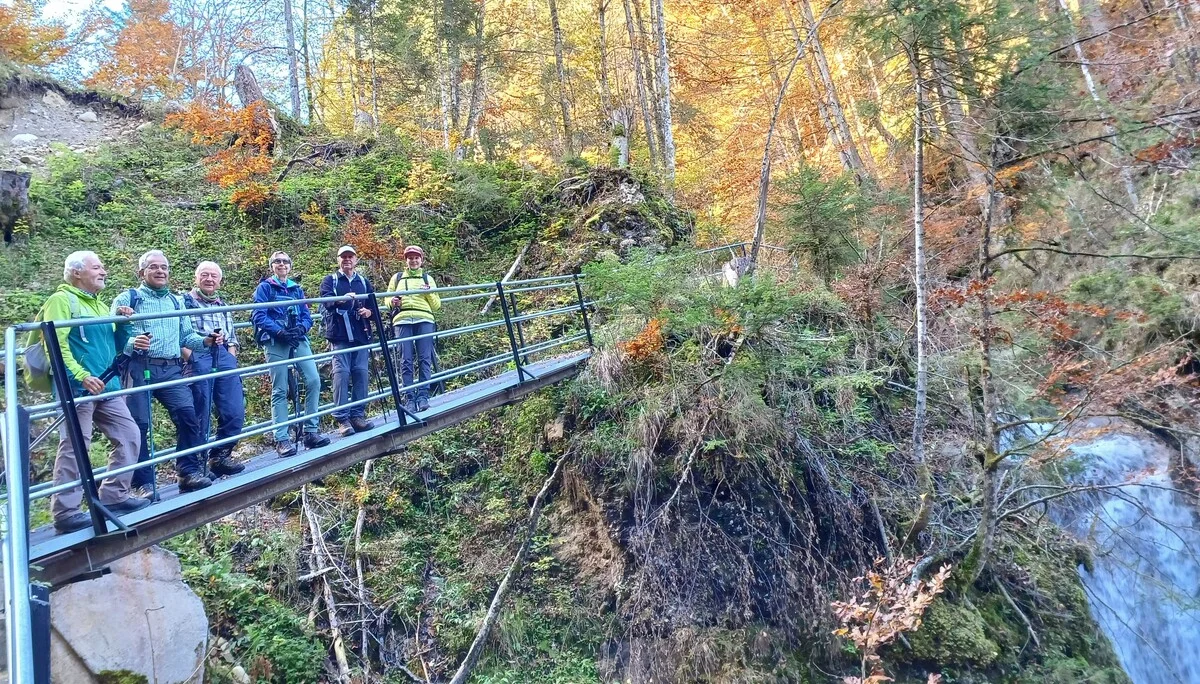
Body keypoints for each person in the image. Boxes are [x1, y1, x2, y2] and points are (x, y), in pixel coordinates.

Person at [39, 251, 150, 533]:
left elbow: (118, 345)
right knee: (76, 445)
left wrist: (125, 324)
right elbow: (55, 345)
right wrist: (81, 375)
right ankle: (65, 512)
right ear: (76, 272)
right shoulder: (61, 301)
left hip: (107, 384)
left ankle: (113, 495)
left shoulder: (101, 306)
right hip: (78, 387)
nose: (104, 272)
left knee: (129, 435)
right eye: (97, 267)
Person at [112, 250, 223, 493]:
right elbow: (114, 335)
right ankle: (142, 482)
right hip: (139, 367)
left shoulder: (176, 301)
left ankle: (188, 472)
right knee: (139, 424)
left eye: (164, 267)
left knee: (188, 416)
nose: (160, 271)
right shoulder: (128, 299)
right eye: (154, 267)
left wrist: (206, 340)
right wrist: (132, 343)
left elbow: (186, 336)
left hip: (171, 367)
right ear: (142, 272)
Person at [251, 251, 331, 456]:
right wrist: (278, 331)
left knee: (313, 380)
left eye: (285, 261)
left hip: (296, 337)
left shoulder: (296, 289)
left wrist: (301, 329)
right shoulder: (265, 288)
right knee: (280, 388)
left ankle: (310, 432)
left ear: (290, 265)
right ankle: (282, 439)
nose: (281, 264)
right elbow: (258, 314)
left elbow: (306, 315)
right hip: (276, 340)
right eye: (277, 261)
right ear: (271, 266)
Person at [181, 261, 246, 477]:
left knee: (234, 409)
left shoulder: (222, 304)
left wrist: (231, 358)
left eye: (214, 276)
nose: (209, 279)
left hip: (223, 355)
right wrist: (191, 359)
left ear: (220, 281)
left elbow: (232, 337)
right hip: (197, 356)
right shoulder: (184, 302)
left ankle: (220, 455)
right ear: (196, 278)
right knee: (200, 412)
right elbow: (177, 334)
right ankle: (197, 464)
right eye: (204, 275)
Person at [319, 245, 377, 436]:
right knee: (341, 375)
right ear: (338, 260)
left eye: (350, 256)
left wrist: (368, 312)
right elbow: (326, 302)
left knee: (361, 373)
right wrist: (342, 299)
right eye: (343, 257)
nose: (347, 260)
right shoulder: (331, 280)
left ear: (356, 260)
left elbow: (374, 307)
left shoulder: (363, 281)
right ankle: (342, 419)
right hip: (339, 334)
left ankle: (358, 415)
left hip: (360, 334)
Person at [386, 245, 441, 413]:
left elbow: (437, 305)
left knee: (425, 357)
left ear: (421, 260)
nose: (413, 260)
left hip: (424, 318)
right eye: (410, 258)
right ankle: (409, 397)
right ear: (406, 260)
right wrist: (392, 302)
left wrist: (429, 293)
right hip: (402, 320)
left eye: (416, 257)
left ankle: (423, 395)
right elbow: (386, 300)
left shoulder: (427, 278)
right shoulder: (397, 278)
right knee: (406, 360)